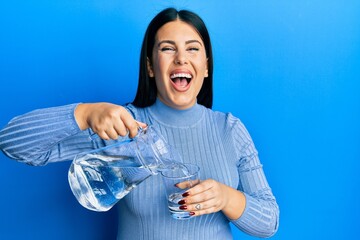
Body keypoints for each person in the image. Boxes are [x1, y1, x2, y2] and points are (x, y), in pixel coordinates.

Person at [0, 8, 279, 239]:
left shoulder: (229, 129)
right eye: (167, 48)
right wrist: (84, 113)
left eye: (193, 49)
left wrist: (225, 197)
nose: (181, 57)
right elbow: (11, 143)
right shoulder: (122, 125)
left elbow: (269, 223)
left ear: (206, 67)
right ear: (149, 66)